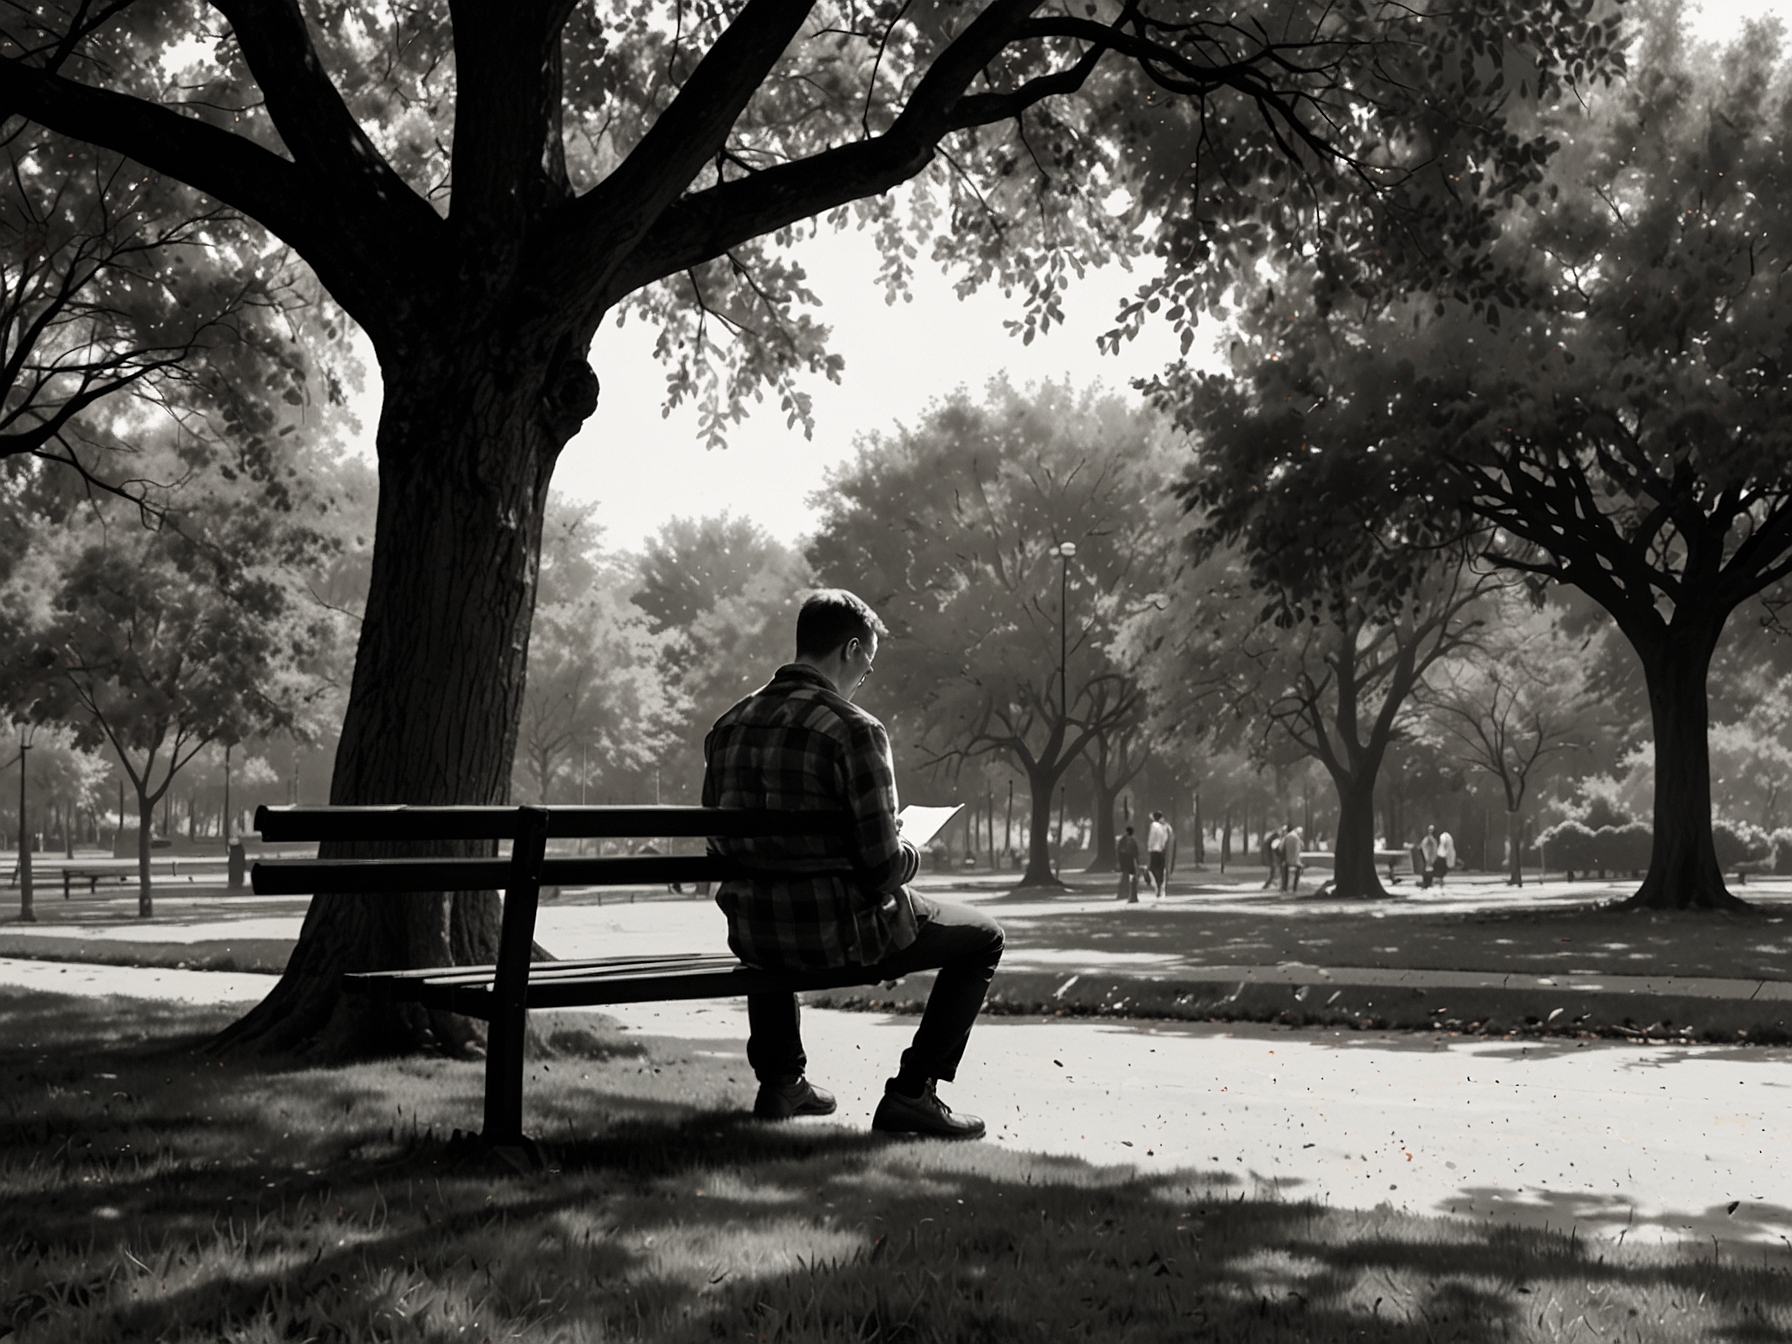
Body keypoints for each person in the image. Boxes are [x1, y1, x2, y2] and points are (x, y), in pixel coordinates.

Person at [703, 588, 1004, 1139]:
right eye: (865, 667)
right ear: (849, 649)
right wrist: (910, 847)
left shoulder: (727, 726)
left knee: (772, 911)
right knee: (984, 937)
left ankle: (781, 1081)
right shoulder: (855, 729)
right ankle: (914, 1092)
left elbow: (720, 847)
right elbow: (881, 869)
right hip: (838, 933)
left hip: (755, 932)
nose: (863, 678)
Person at [1146, 810, 1173, 897]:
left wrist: (1149, 847)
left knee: (1152, 868)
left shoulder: (1153, 826)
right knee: (1161, 869)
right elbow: (1165, 838)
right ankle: (1160, 886)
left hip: (1154, 850)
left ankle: (1156, 885)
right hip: (1161, 850)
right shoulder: (1164, 826)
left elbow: (1151, 837)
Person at [1115, 825, 1141, 903]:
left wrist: (1119, 861)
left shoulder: (1122, 840)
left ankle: (1123, 893)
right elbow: (1136, 852)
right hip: (1130, 860)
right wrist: (1137, 861)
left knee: (1125, 876)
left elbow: (1119, 851)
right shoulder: (1133, 840)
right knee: (1131, 877)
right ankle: (1129, 894)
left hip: (1124, 860)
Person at [1280, 822, 1304, 892]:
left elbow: (1281, 848)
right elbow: (1302, 846)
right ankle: (1294, 888)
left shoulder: (1286, 837)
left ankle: (1284, 887)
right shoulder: (1297, 837)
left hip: (1287, 860)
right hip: (1297, 860)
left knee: (1285, 873)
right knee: (1298, 871)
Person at [1261, 824, 1283, 890]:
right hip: (1272, 858)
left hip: (1270, 858)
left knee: (1273, 872)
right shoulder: (1274, 839)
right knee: (1273, 872)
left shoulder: (1269, 839)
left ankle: (1271, 884)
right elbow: (1275, 849)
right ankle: (1267, 885)